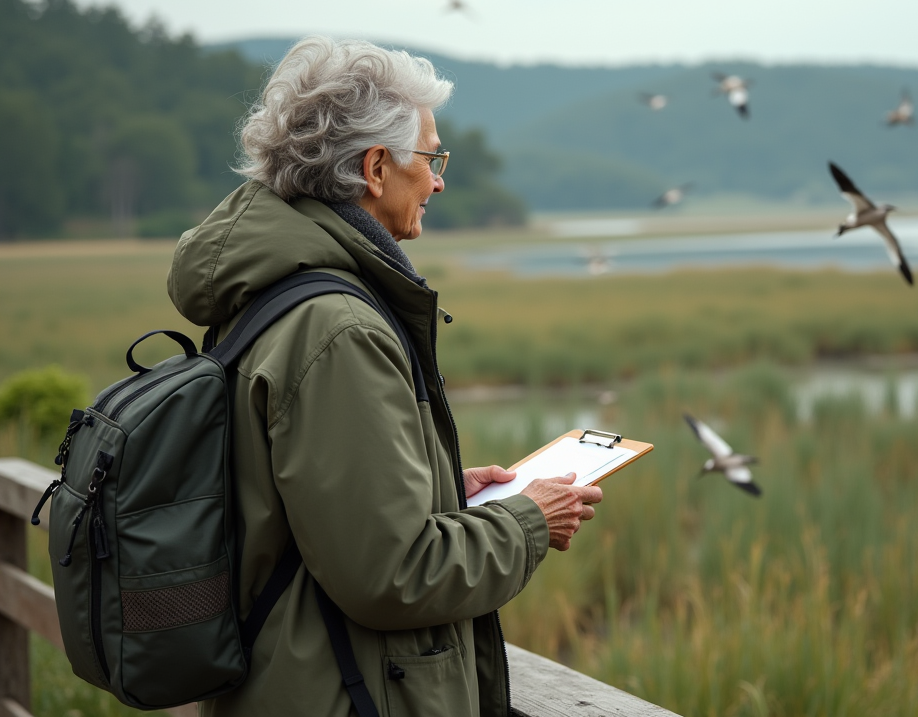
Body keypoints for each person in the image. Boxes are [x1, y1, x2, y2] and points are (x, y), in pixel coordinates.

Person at [167, 36, 603, 717]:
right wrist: (528, 520)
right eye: (432, 158)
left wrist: (438, 489)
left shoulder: (271, 290)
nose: (438, 181)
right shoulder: (338, 327)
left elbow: (293, 500)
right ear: (375, 168)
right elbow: (392, 575)